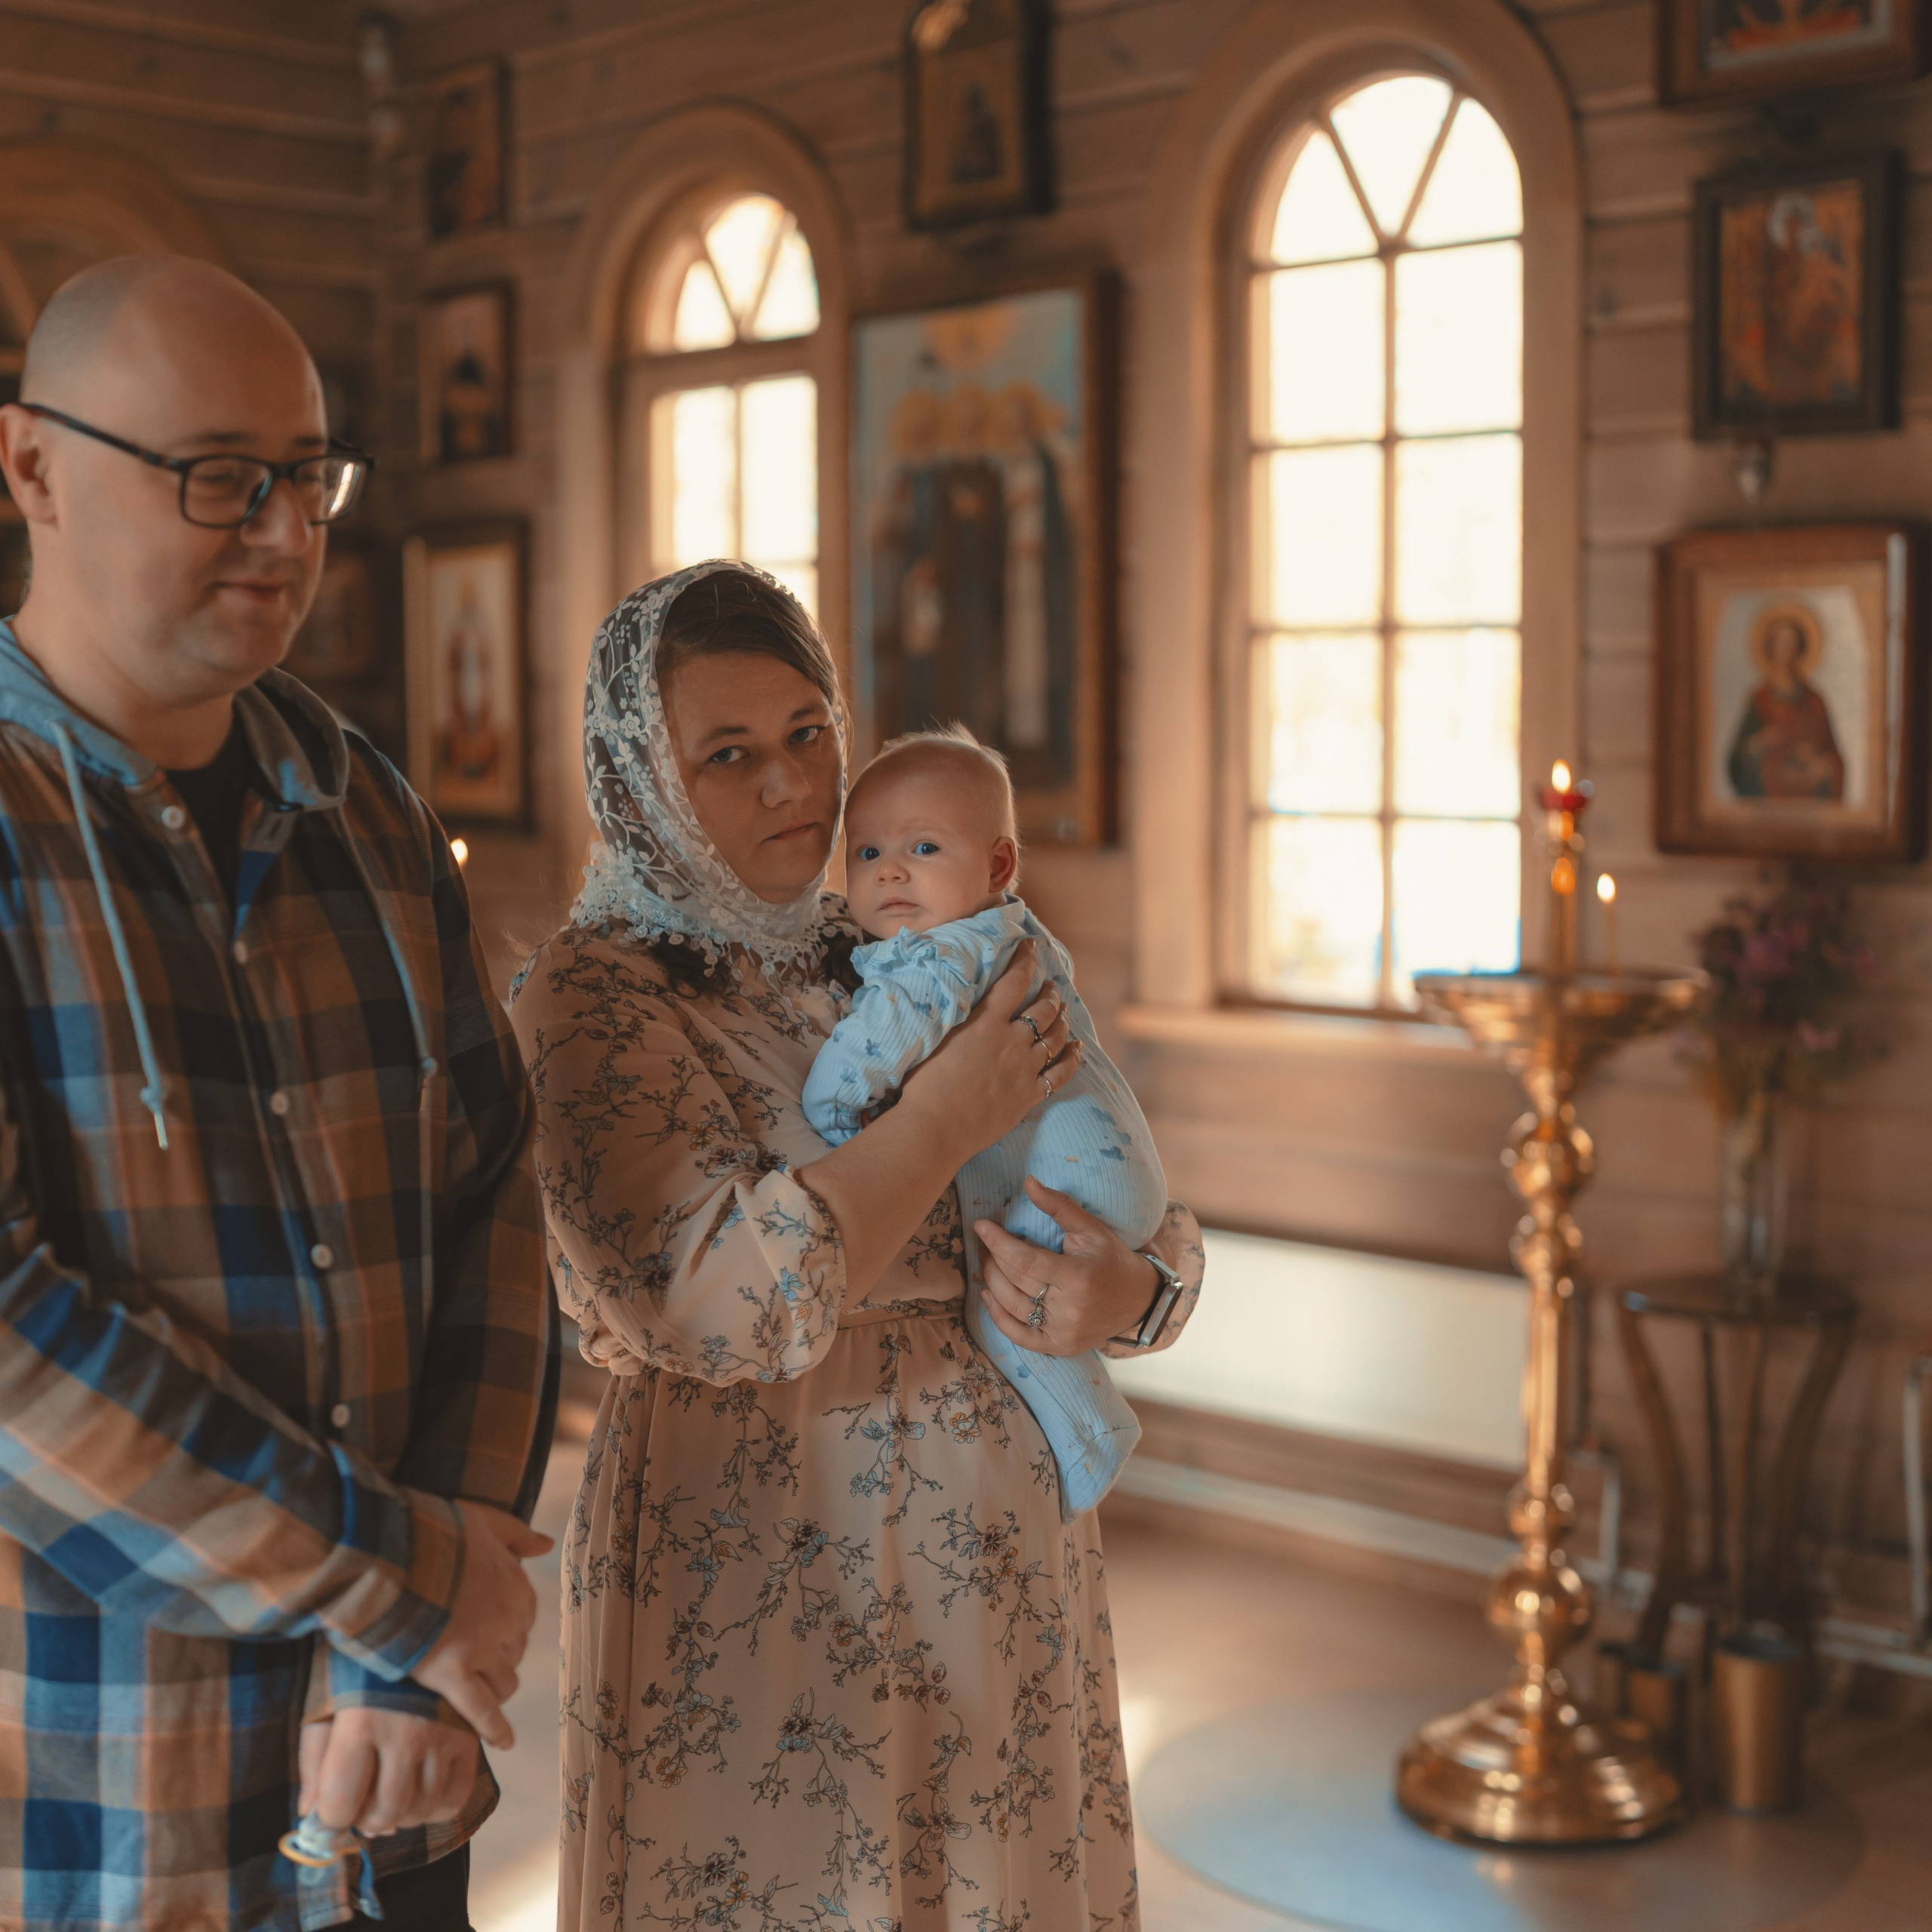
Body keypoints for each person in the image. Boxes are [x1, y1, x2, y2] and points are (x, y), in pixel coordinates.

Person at [511, 560, 1204, 1930]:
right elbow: (724, 1309)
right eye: (727, 756)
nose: (788, 787)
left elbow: (1110, 1158)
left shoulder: (898, 931)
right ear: (646, 782)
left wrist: (1135, 1291)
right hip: (767, 1552)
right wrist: (947, 1113)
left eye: (807, 735)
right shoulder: (592, 995)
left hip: (1001, 1556)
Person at [0, 254, 557, 1932]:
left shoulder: (363, 800)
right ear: (30, 464)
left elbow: (494, 1187)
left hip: (393, 1782)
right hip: (97, 1806)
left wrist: (416, 1651)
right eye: (220, 476)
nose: (285, 531)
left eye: (308, 477)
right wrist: (405, 1584)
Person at [801, 726, 1169, 1518]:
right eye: (865, 854)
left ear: (997, 865)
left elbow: (875, 1047)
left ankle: (1089, 1445)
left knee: (1004, 1310)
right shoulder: (1009, 933)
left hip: (1068, 1178)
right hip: (1106, 1161)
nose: (890, 869)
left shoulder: (943, 954)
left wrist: (828, 1110)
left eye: (923, 847)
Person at [1727, 602, 1845, 801]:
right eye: (1781, 642)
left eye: (1792, 642)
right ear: (1771, 648)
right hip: (1769, 797)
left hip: (1809, 800)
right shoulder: (1759, 699)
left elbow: (1833, 757)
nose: (1787, 648)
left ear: (1801, 647)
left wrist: (1824, 767)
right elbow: (1737, 760)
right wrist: (1760, 743)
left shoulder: (1815, 701)